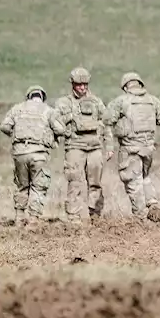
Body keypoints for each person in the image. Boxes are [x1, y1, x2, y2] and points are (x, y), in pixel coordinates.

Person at [106, 72, 160, 221]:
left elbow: (107, 120)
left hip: (130, 149)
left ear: (125, 86)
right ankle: (153, 205)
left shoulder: (122, 101)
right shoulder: (152, 100)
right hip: (147, 149)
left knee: (133, 183)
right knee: (145, 177)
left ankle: (140, 218)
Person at [0, 86, 63, 223]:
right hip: (39, 153)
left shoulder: (17, 108)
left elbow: (4, 126)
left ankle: (19, 217)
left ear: (28, 96)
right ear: (42, 97)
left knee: (22, 185)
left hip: (20, 152)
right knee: (38, 186)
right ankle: (33, 220)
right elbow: (60, 129)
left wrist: (16, 135)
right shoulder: (48, 110)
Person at [54, 67, 110, 224]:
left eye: (85, 84)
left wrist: (110, 146)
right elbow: (56, 122)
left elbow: (107, 124)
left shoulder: (96, 102)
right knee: (74, 181)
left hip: (95, 147)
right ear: (72, 84)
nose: (83, 88)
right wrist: (70, 118)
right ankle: (74, 217)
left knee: (95, 183)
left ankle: (95, 215)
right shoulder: (64, 103)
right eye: (79, 84)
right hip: (75, 147)